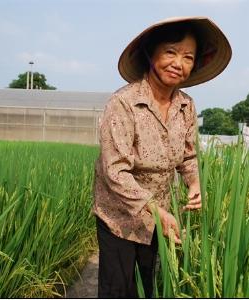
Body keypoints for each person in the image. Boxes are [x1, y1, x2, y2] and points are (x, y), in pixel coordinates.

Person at [93, 16, 231, 298]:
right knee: (118, 290)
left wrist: (194, 183)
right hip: (119, 217)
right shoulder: (124, 102)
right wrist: (153, 208)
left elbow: (188, 157)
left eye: (187, 57)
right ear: (150, 53)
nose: (178, 63)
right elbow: (115, 170)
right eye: (170, 52)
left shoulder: (186, 106)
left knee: (148, 285)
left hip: (160, 219)